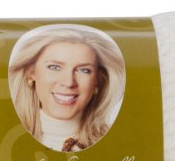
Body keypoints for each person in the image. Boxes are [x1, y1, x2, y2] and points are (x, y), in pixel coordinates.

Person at [8, 24, 126, 152]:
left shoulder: (117, 144)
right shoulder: (5, 137)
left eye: (84, 70)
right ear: (30, 73)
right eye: (54, 67)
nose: (69, 82)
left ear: (97, 80)